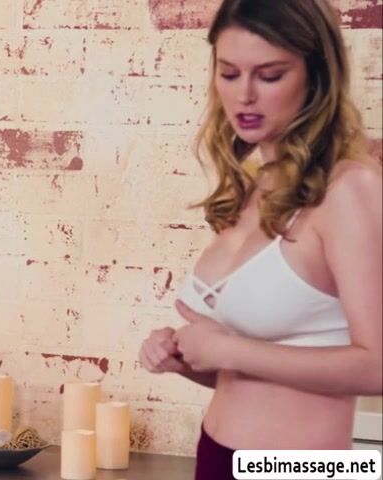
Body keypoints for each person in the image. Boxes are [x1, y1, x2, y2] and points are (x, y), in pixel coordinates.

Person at [138, 1, 382, 479]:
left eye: (270, 75)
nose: (245, 95)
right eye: (229, 73)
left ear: (316, 76)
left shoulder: (351, 189)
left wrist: (227, 350)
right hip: (217, 456)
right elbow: (251, 378)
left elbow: (378, 366)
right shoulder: (255, 188)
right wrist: (184, 356)